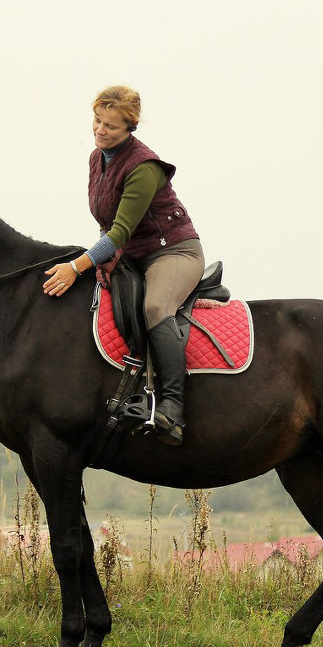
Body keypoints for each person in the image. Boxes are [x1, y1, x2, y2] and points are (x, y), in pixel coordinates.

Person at [43, 86, 204, 446]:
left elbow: (118, 232)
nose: (101, 131)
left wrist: (77, 266)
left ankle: (172, 408)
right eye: (97, 122)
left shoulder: (144, 167)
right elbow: (105, 224)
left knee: (155, 307)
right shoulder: (95, 158)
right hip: (130, 254)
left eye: (111, 127)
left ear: (130, 128)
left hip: (173, 252)